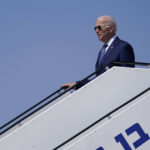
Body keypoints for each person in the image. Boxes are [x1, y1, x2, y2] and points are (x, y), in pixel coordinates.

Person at [61, 15, 135, 89]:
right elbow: (98, 78)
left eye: (99, 27)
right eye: (95, 28)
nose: (96, 31)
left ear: (111, 29)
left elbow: (127, 74)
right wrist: (77, 84)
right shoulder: (102, 50)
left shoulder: (123, 46)